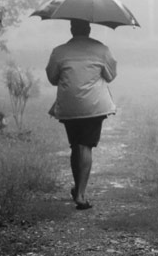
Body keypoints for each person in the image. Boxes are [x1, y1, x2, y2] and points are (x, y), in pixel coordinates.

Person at [46, 19, 117, 210]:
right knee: (85, 146)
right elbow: (110, 76)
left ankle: (77, 187)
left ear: (71, 29)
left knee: (76, 145)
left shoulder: (59, 52)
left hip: (69, 106)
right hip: (93, 106)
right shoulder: (101, 50)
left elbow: (52, 78)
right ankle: (81, 194)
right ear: (89, 29)